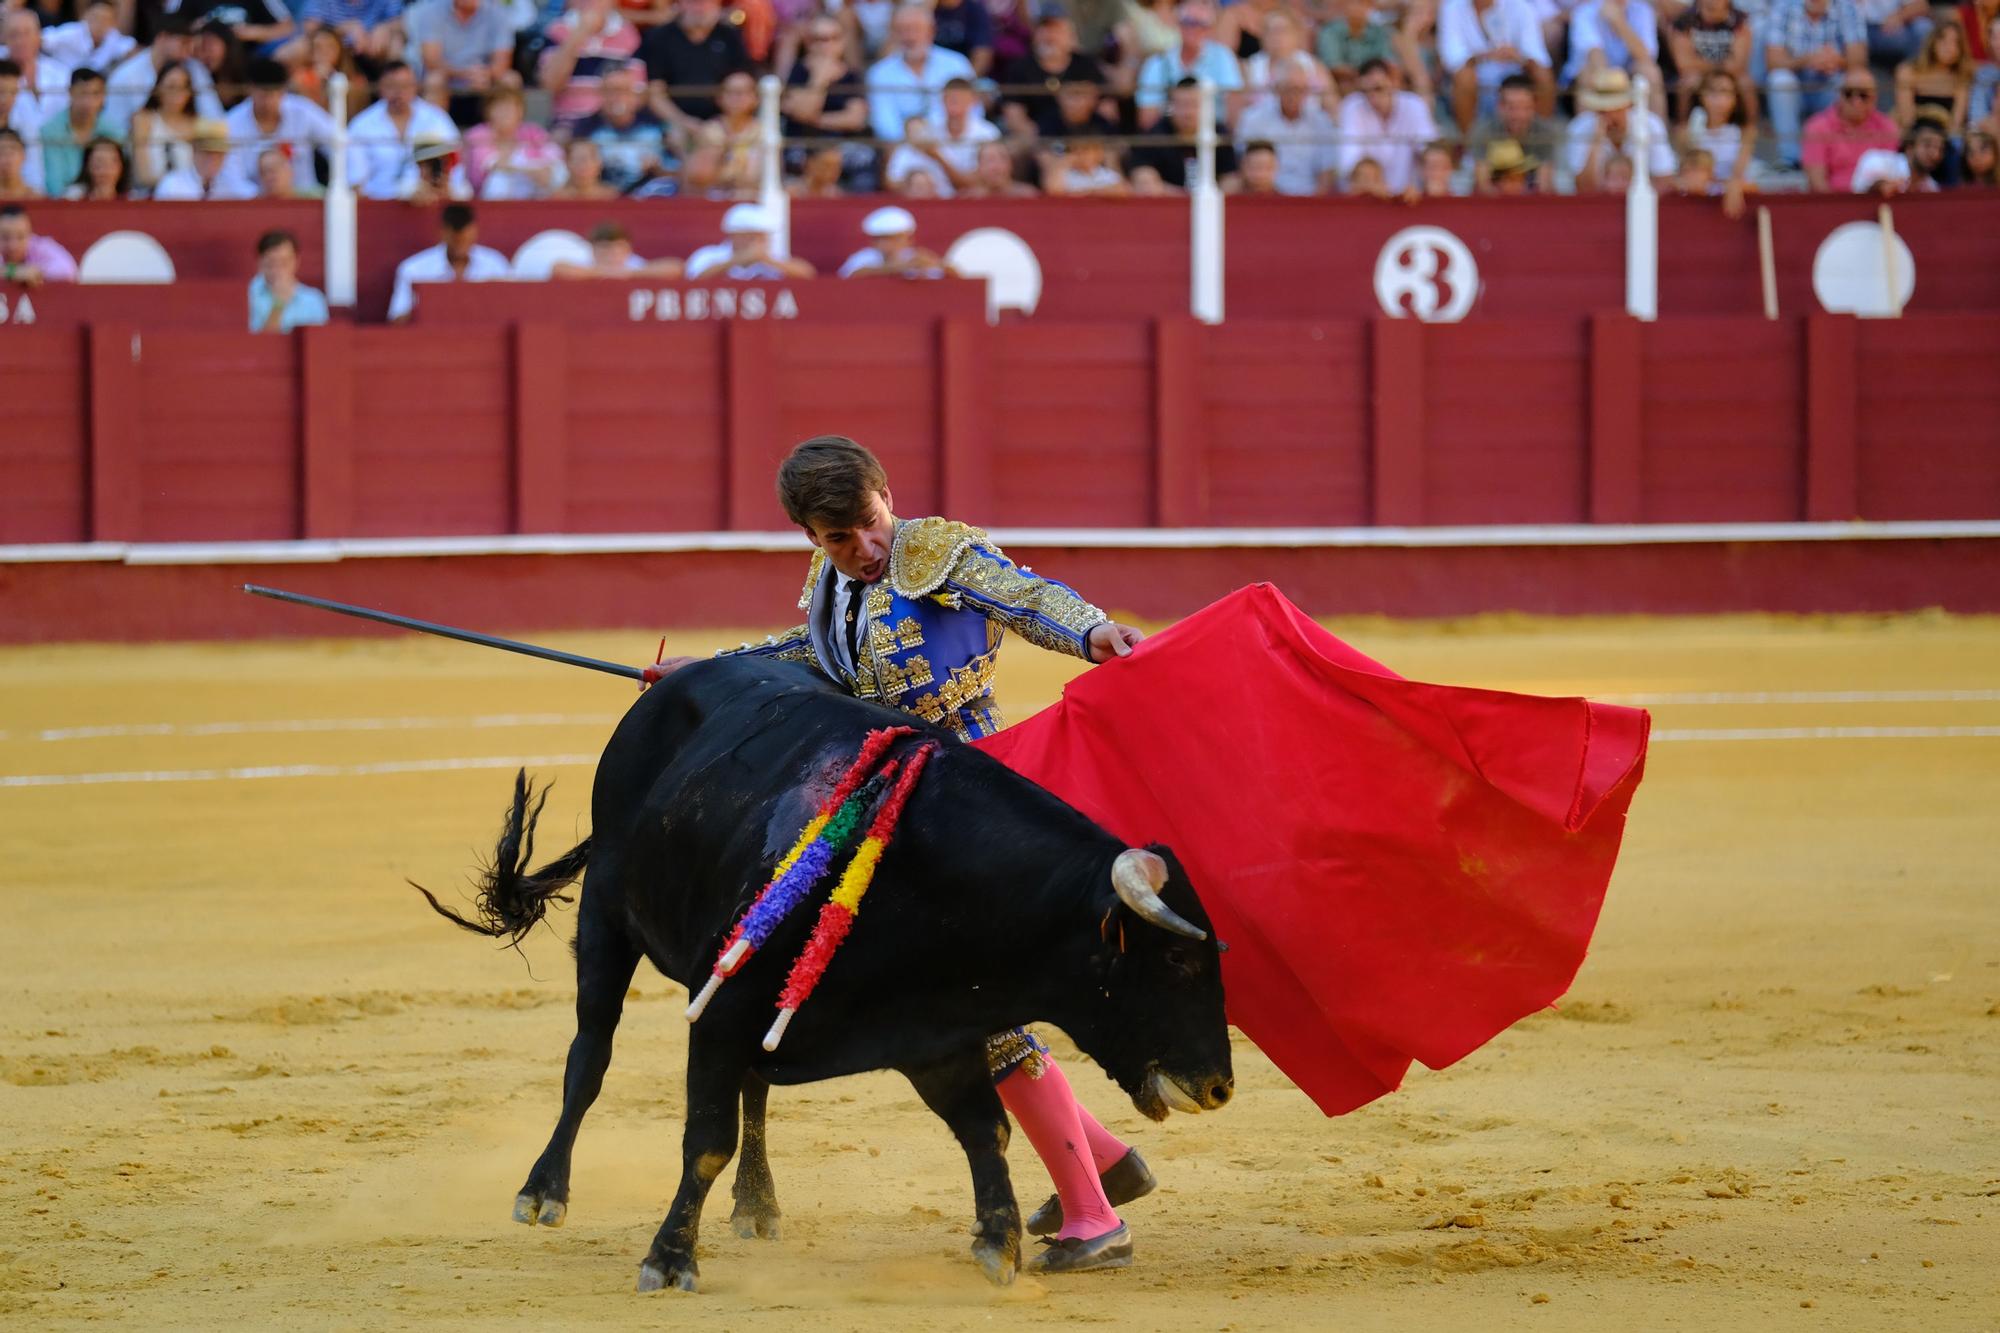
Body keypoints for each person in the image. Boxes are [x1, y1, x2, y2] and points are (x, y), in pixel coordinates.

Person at [641, 435, 1156, 1275]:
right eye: (840, 538)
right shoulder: (829, 582)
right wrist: (705, 677)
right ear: (812, 538)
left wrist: (1093, 629)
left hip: (974, 799)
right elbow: (808, 658)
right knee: (965, 1007)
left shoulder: (936, 551)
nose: (866, 548)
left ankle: (1095, 1216)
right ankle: (1102, 1163)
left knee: (980, 1013)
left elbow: (1024, 596)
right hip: (897, 802)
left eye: (870, 524)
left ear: (888, 496)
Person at [1766, 0, 1867, 168]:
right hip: (1796, 85)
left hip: (1829, 85)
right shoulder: (1783, 6)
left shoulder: (1848, 8)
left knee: (1849, 81)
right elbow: (1773, 61)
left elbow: (1859, 60)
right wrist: (1808, 59)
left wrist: (1836, 61)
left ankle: (1833, 157)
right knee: (1779, 79)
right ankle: (1790, 159)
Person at [219, 56, 336, 195]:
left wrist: (338, 187)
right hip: (254, 204)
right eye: (263, 95)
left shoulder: (303, 112)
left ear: (283, 92)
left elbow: (338, 142)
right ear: (250, 90)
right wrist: (259, 198)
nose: (268, 102)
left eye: (274, 95)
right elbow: (231, 177)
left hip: (304, 199)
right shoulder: (232, 123)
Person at [347, 59, 462, 199]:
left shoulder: (436, 119)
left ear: (415, 87)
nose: (398, 92)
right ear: (380, 88)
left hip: (428, 206)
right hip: (380, 207)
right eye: (392, 86)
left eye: (405, 86)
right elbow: (356, 183)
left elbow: (454, 168)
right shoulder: (361, 125)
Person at [1437, 0, 1556, 132]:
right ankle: (1470, 143)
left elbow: (1538, 55)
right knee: (1464, 77)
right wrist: (1485, 56)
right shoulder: (1452, 8)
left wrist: (1517, 56)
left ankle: (1541, 138)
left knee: (1543, 74)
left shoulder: (1521, 7)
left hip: (1515, 72)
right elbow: (1451, 57)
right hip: (1474, 73)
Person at [866, 4, 975, 144]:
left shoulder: (957, 64)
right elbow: (884, 123)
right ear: (893, 34)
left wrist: (935, 137)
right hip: (902, 147)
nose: (909, 36)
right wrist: (914, 141)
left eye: (916, 29)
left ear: (931, 31)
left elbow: (973, 110)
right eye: (902, 30)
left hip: (955, 142)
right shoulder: (879, 73)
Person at [387, 201, 510, 321]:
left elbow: (512, 312)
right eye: (455, 241)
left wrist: (493, 294)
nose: (460, 246)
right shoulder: (414, 269)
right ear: (442, 232)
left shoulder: (495, 265)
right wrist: (434, 302)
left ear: (474, 231)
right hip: (432, 338)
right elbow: (396, 321)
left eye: (464, 240)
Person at [639, 0, 750, 130]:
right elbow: (655, 93)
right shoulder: (659, 37)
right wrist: (683, 122)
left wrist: (720, 125)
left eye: (707, 2)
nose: (700, 8)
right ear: (680, 4)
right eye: (693, 2)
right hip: (672, 123)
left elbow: (742, 83)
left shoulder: (730, 36)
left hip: (724, 124)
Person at [1333, 57, 1436, 195]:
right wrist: (1374, 185)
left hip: (1409, 199)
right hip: (1368, 198)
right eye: (1365, 91)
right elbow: (1349, 159)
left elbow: (1429, 151)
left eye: (1378, 88)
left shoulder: (1414, 105)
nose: (1372, 97)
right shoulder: (1352, 106)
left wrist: (1421, 187)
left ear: (1393, 82)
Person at [405, 0, 519, 125]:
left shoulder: (497, 13)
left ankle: (503, 139)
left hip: (484, 77)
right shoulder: (431, 11)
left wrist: (487, 74)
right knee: (434, 80)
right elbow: (431, 60)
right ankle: (433, 135)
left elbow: (502, 61)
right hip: (448, 75)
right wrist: (463, 74)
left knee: (510, 79)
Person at [105, 14, 224, 134]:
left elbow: (214, 117)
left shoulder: (194, 67)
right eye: (184, 43)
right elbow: (115, 129)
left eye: (192, 46)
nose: (187, 53)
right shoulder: (126, 77)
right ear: (162, 38)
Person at [1133, 2, 1242, 131]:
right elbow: (1146, 118)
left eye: (1201, 25)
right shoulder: (1158, 62)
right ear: (1178, 24)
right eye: (1188, 23)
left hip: (1212, 133)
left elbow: (1233, 106)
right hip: (1169, 138)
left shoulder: (1223, 57)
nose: (1193, 30)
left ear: (1210, 29)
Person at [538, 0, 646, 130]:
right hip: (570, 125)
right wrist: (579, 33)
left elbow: (637, 91)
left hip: (613, 125)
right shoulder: (556, 30)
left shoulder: (628, 34)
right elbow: (550, 85)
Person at [1565, 67, 1674, 190]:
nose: (1609, 115)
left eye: (1616, 108)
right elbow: (1584, 187)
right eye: (1602, 111)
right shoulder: (1580, 128)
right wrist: (1596, 141)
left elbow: (1665, 181)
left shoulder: (1651, 125)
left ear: (1628, 105)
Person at [883, 76, 995, 195]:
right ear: (942, 100)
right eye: (950, 98)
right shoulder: (925, 131)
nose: (954, 102)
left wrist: (935, 155)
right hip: (931, 202)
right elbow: (892, 180)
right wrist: (918, 183)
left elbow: (980, 182)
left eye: (960, 98)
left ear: (974, 100)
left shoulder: (987, 134)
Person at [570, 61, 671, 193]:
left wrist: (658, 168)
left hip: (648, 199)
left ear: (636, 95)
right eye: (611, 91)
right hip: (601, 201)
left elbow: (674, 172)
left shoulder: (656, 126)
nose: (617, 97)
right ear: (600, 94)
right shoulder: (585, 128)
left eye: (623, 91)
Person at [1125, 75, 1236, 191]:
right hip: (1167, 206)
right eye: (1181, 105)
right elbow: (1143, 178)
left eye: (1194, 104)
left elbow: (1231, 179)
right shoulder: (1154, 137)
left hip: (1211, 204)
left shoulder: (1219, 134)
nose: (1187, 113)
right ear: (1170, 106)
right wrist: (1185, 198)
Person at [1800, 65, 1897, 189]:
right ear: (1839, 95)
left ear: (1875, 98)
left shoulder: (1886, 127)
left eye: (1863, 95)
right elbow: (1818, 184)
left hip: (1874, 203)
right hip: (1833, 204)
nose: (1856, 101)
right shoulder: (1817, 128)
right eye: (1849, 94)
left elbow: (1888, 178)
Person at [1467, 71, 1558, 193]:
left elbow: (1544, 185)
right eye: (1512, 107)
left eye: (1525, 107)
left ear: (1534, 107)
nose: (1519, 115)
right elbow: (1483, 184)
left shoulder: (1544, 132)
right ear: (1499, 106)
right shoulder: (1483, 131)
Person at [1683, 67, 1755, 217]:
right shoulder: (1686, 131)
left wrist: (1730, 185)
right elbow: (1690, 168)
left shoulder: (1745, 132)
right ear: (1701, 95)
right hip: (1698, 197)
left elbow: (1738, 174)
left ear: (1735, 98)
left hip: (1733, 193)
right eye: (1713, 92)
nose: (1719, 99)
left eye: (1726, 92)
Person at [1668, 0, 1754, 122]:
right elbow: (1683, 64)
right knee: (1687, 83)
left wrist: (1703, 65)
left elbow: (1738, 64)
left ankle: (1750, 128)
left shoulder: (1740, 21)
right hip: (1698, 73)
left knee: (1745, 83)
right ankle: (1682, 127)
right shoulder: (1684, 20)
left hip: (1730, 74)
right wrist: (1720, 65)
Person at [683, 201, 816, 278]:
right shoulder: (709, 255)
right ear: (735, 235)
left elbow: (808, 274)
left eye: (763, 236)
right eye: (753, 236)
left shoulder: (772, 257)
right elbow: (693, 280)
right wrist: (736, 260)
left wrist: (766, 259)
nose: (762, 240)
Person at [39, 67, 119, 194]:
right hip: (65, 205)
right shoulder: (50, 131)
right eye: (82, 93)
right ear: (70, 93)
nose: (89, 102)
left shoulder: (115, 132)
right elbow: (54, 185)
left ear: (104, 96)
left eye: (95, 94)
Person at [130, 59, 202, 191]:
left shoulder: (197, 123)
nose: (177, 94)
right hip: (149, 197)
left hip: (188, 199)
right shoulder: (143, 119)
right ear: (158, 89)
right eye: (171, 87)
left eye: (183, 87)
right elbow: (142, 175)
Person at [1894, 19, 1972, 131]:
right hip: (1914, 134)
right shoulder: (1908, 71)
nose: (1950, 48)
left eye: (1956, 43)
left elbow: (1956, 123)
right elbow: (1907, 119)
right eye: (1943, 40)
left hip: (1945, 137)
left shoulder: (1961, 77)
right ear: (1933, 41)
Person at [837, 203, 953, 277]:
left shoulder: (915, 257)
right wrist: (898, 268)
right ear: (874, 242)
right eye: (884, 238)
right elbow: (851, 276)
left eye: (896, 238)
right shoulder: (864, 257)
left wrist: (938, 264)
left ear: (909, 239)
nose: (890, 244)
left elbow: (954, 277)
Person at [248, 228, 330, 333]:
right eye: (271, 263)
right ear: (260, 263)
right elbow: (255, 345)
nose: (278, 269)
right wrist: (279, 304)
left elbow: (317, 343)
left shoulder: (314, 300)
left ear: (296, 261)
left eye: (284, 262)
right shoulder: (249, 296)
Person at [151, 117, 258, 197]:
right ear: (194, 151)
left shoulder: (232, 186)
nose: (212, 159)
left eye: (218, 154)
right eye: (207, 153)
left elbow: (253, 196)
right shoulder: (172, 185)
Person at [551, 219, 685, 276]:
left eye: (617, 249)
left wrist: (630, 274)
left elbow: (676, 268)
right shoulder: (586, 263)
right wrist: (604, 273)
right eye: (605, 249)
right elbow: (558, 269)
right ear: (593, 250)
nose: (611, 255)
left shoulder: (634, 263)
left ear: (627, 250)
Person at [1318, 0, 1395, 95]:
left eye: (1363, 3)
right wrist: (1362, 78)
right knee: (1343, 85)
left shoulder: (1378, 32)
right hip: (1343, 85)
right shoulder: (1330, 31)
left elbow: (1386, 62)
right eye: (1353, 2)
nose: (1358, 8)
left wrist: (1372, 80)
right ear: (1344, 5)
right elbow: (1332, 66)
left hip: (1375, 83)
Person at [44, 0, 136, 75]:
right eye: (96, 18)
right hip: (60, 88)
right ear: (85, 16)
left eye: (106, 20)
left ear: (114, 23)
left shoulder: (113, 37)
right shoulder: (71, 31)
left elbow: (133, 50)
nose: (100, 24)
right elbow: (42, 39)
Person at [0, 203, 76, 284]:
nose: (13, 245)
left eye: (20, 237)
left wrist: (36, 272)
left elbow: (68, 270)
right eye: (5, 237)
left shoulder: (39, 246)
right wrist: (13, 272)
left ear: (30, 235)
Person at [64, 133, 130, 198]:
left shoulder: (132, 198)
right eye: (99, 162)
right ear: (87, 165)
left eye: (112, 162)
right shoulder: (73, 197)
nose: (106, 170)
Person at [552, 136, 621, 197]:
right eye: (577, 158)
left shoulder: (613, 196)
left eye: (590, 157)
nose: (584, 164)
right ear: (566, 162)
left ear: (599, 162)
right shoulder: (555, 198)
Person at [0, 126, 38, 199]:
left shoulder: (37, 199)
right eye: (1, 151)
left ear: (24, 155)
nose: (7, 157)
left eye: (12, 149)